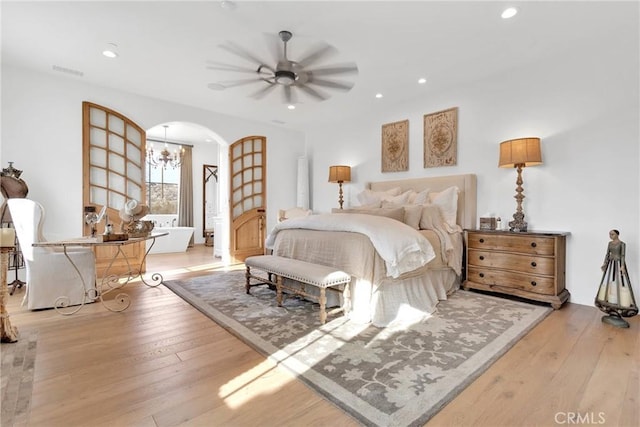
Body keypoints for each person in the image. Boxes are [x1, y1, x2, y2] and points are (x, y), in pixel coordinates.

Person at [595, 230, 638, 326]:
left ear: (617, 234)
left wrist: (622, 266)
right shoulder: (609, 243)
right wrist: (605, 263)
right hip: (611, 262)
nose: (610, 236)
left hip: (618, 263)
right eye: (610, 234)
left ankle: (621, 306)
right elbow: (607, 254)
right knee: (608, 282)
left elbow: (623, 255)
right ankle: (609, 304)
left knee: (621, 282)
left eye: (612, 234)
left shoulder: (622, 244)